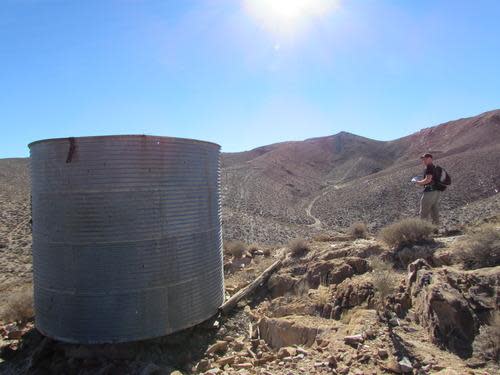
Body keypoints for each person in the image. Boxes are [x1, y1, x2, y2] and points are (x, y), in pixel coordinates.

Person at [415, 153, 441, 226]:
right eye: (423, 159)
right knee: (434, 209)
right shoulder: (434, 167)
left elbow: (428, 179)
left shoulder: (429, 167)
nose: (423, 161)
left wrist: (419, 182)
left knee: (424, 212)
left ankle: (423, 230)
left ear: (430, 159)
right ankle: (436, 228)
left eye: (424, 159)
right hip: (436, 191)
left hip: (430, 191)